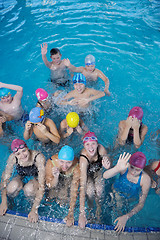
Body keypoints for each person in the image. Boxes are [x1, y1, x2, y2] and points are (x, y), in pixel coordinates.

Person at [103, 152, 151, 233]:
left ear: (142, 169)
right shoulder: (124, 167)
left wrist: (127, 216)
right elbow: (105, 176)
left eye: (138, 170)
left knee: (121, 211)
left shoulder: (145, 179)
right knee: (115, 205)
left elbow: (141, 204)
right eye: (132, 167)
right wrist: (117, 169)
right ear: (129, 164)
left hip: (130, 199)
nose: (133, 172)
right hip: (115, 192)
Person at [0, 139, 45, 223]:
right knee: (11, 187)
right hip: (20, 175)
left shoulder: (38, 157)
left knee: (29, 189)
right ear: (15, 154)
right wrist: (3, 201)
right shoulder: (12, 158)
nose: (22, 155)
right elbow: (4, 181)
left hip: (35, 177)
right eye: (18, 154)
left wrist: (34, 209)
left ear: (27, 148)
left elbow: (42, 186)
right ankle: (10, 203)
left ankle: (31, 205)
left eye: (24, 151)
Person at [78, 131, 111, 229]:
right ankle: (89, 209)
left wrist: (108, 165)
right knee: (89, 191)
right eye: (87, 144)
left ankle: (98, 210)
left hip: (98, 171)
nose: (91, 147)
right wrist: (81, 213)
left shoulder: (101, 149)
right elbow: (83, 184)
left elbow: (108, 160)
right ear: (84, 146)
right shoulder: (83, 159)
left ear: (97, 144)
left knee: (100, 191)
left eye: (93, 144)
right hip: (87, 174)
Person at [45, 145, 80, 227]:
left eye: (68, 162)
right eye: (62, 162)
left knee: (63, 200)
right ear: (58, 159)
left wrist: (70, 213)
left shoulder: (76, 166)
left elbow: (74, 190)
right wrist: (56, 176)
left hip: (69, 178)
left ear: (72, 161)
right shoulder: (52, 162)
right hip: (56, 176)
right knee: (49, 199)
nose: (64, 166)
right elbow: (49, 185)